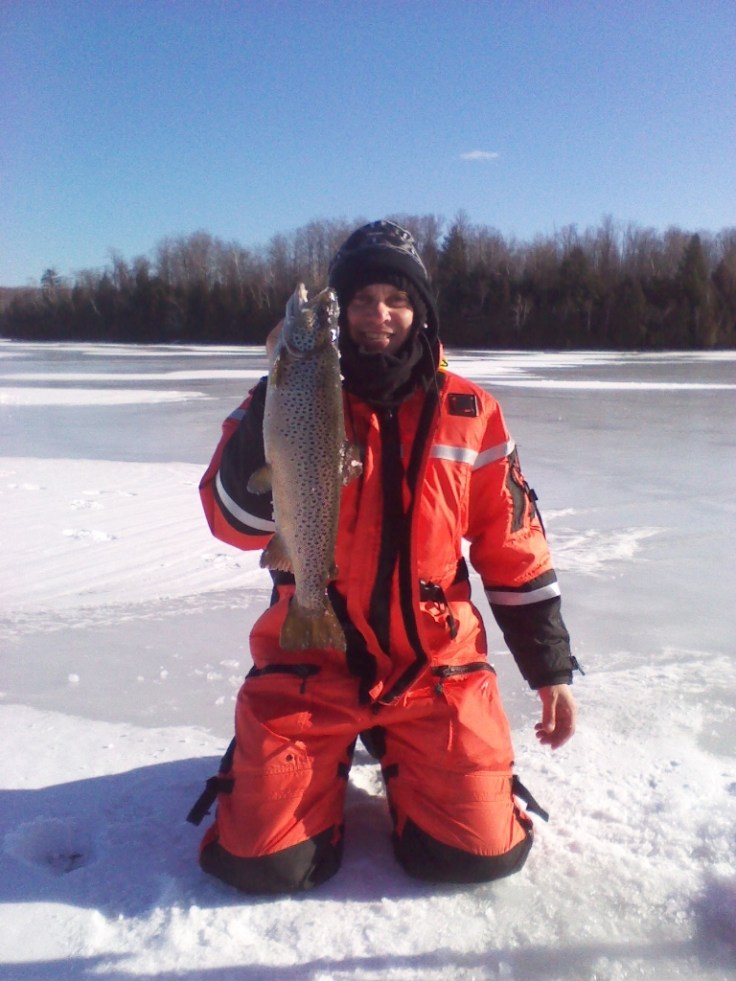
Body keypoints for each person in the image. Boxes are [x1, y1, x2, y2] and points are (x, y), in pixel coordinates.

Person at [189, 219, 581, 894]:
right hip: (308, 664)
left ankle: (405, 754)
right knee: (261, 861)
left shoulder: (472, 410)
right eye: (363, 298)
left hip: (434, 667)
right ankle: (300, 760)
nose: (379, 314)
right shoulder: (294, 390)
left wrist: (550, 668)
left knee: (475, 856)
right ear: (342, 313)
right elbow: (233, 520)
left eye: (397, 299)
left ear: (420, 312)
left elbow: (513, 547)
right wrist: (271, 394)